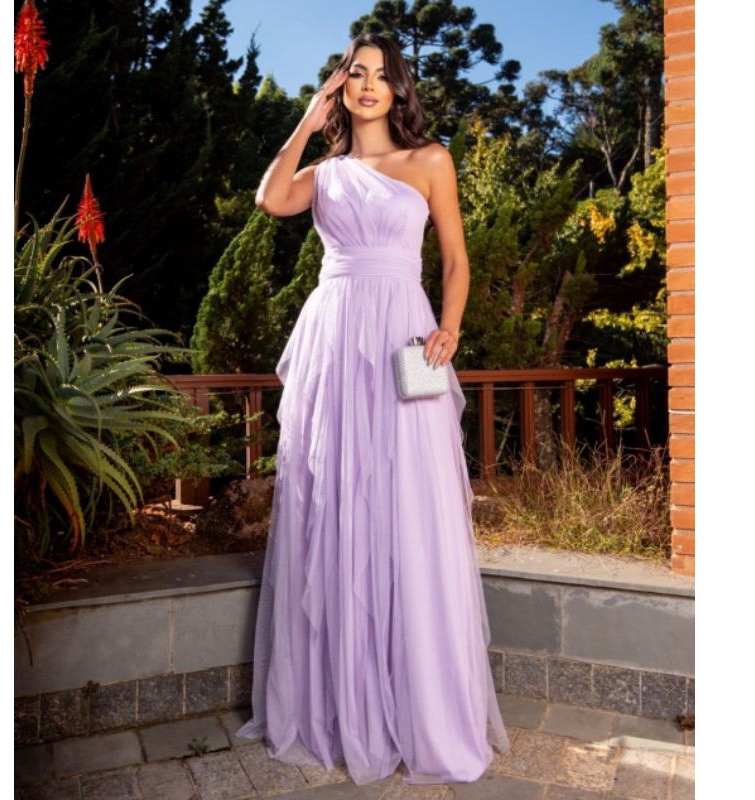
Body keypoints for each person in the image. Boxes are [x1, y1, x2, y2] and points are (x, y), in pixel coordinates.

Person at [235, 33, 509, 786]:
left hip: (404, 340)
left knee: (410, 502)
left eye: (382, 76)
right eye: (355, 74)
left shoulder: (430, 161)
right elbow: (269, 199)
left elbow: (455, 258)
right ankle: (339, 705)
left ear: (398, 90)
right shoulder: (325, 174)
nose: (367, 85)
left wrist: (450, 326)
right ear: (340, 87)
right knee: (332, 501)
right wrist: (307, 116)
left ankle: (420, 705)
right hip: (334, 338)